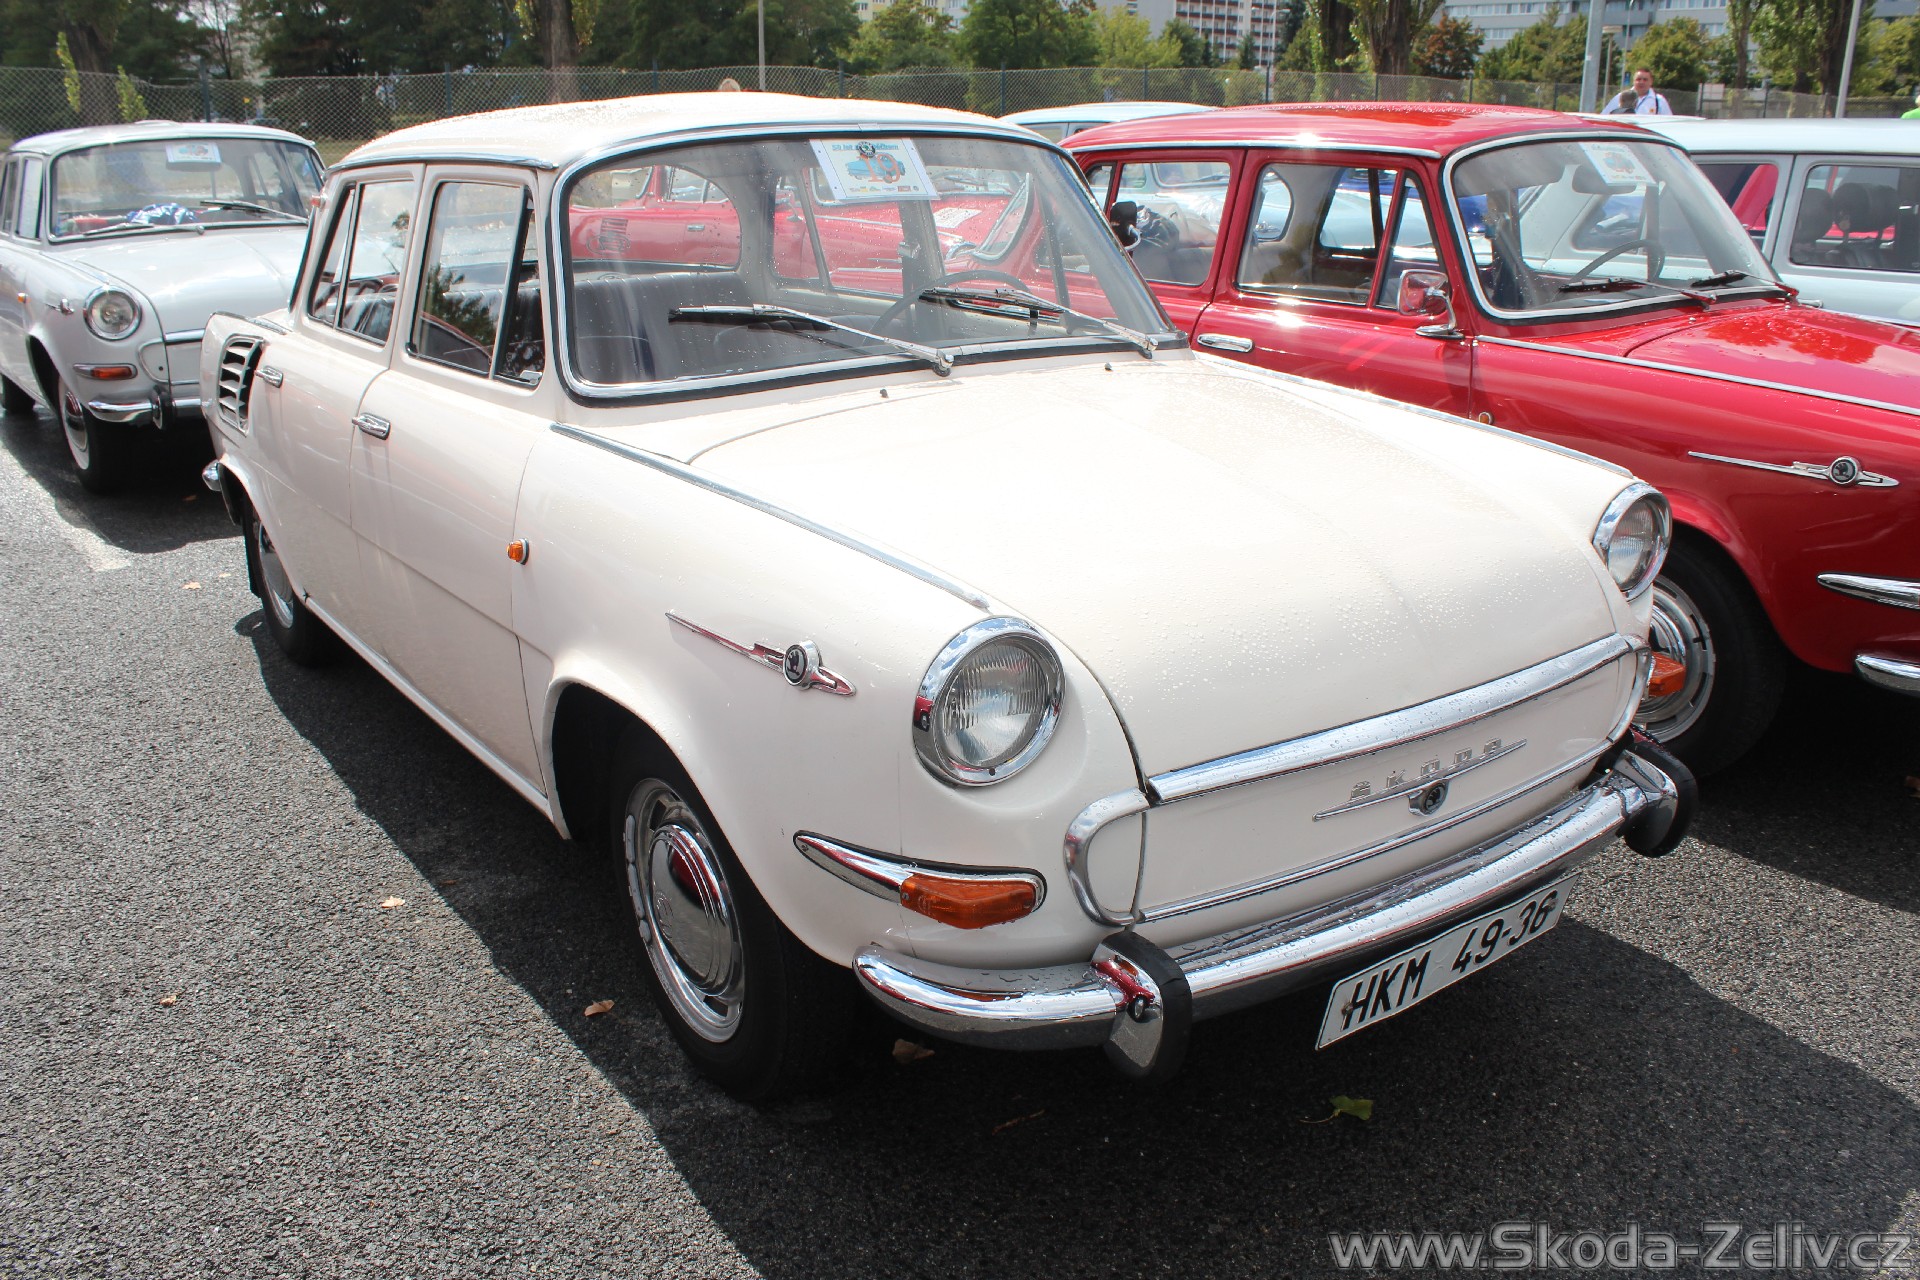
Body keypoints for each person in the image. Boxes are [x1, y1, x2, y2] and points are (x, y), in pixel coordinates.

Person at [1602, 68, 1673, 116]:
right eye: (1638, 79)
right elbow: (1605, 116)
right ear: (1633, 81)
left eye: (1645, 80)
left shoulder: (1659, 101)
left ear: (1651, 82)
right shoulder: (1621, 97)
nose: (1641, 82)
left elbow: (1667, 122)